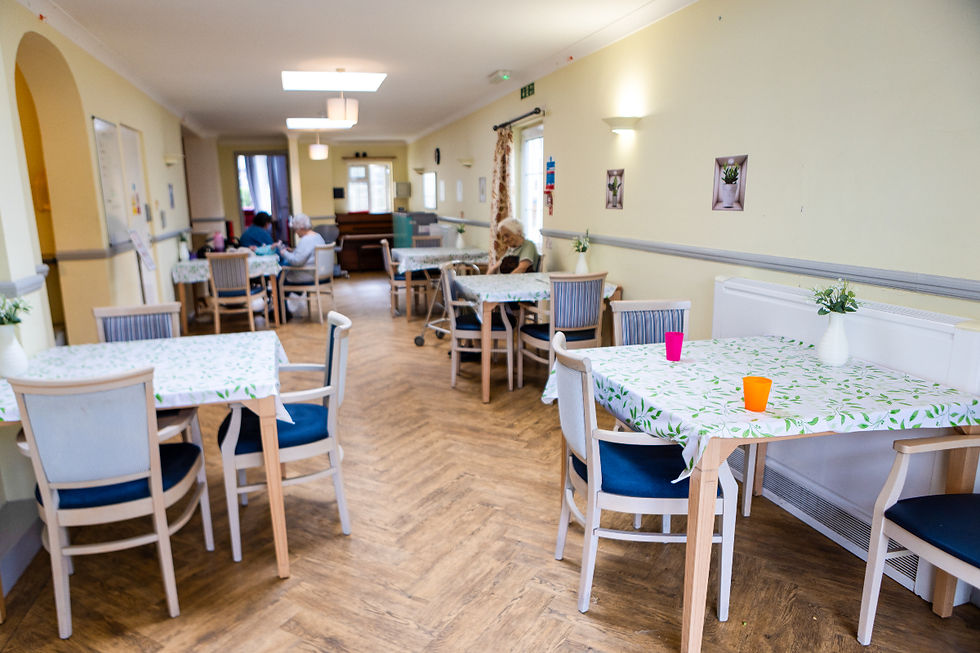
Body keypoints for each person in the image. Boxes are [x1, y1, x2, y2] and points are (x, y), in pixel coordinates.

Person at [278, 213, 326, 284]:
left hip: (309, 276)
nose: (295, 233)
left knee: (280, 276)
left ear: (301, 228)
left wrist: (284, 253)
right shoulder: (318, 236)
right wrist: (294, 251)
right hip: (322, 274)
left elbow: (296, 262)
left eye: (295, 230)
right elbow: (310, 253)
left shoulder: (306, 240)